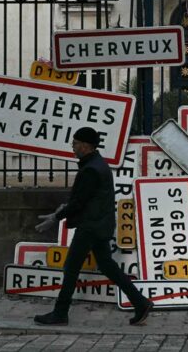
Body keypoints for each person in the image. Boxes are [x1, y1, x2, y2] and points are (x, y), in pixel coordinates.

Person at [33, 127, 153, 326]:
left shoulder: (91, 169)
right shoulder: (98, 164)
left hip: (90, 226)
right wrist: (61, 212)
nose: (73, 147)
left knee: (71, 267)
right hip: (100, 224)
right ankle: (140, 302)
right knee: (107, 266)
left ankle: (60, 313)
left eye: (75, 143)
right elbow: (87, 199)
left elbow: (79, 202)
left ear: (85, 146)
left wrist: (56, 217)